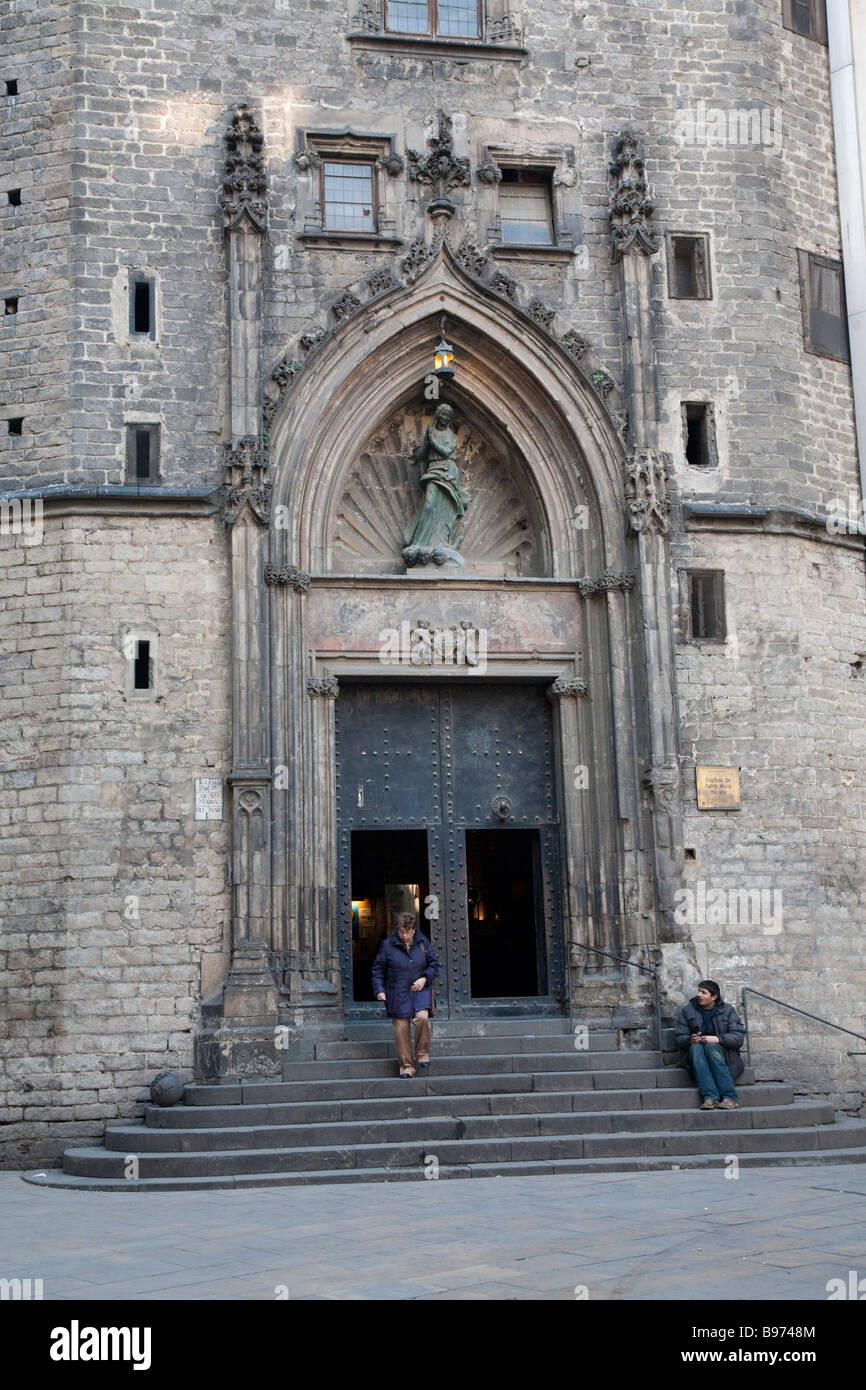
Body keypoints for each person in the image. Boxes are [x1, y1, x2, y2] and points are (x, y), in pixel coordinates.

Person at [402, 403, 471, 567]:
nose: (446, 419)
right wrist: (427, 441)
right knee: (429, 505)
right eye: (443, 415)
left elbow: (446, 452)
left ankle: (441, 541)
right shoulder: (431, 433)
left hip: (447, 471)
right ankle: (419, 542)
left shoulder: (452, 437)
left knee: (446, 510)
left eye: (448, 416)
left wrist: (432, 440)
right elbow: (422, 454)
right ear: (438, 416)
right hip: (434, 470)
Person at [372, 911, 439, 1078]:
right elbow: (378, 969)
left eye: (407, 932)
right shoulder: (388, 945)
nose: (404, 935)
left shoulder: (423, 942)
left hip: (419, 990)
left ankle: (422, 1054)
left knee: (422, 1018)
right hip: (397, 991)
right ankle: (406, 1066)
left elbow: (434, 965)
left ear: (413, 930)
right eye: (401, 931)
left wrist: (424, 978)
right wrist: (379, 989)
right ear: (398, 929)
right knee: (401, 1028)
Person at [673, 979, 746, 1110]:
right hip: (697, 1056)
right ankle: (710, 1097)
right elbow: (679, 1037)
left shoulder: (728, 1011)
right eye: (699, 991)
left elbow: (738, 1037)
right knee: (696, 1048)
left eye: (704, 992)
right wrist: (690, 1039)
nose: (699, 995)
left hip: (725, 1055)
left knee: (711, 1047)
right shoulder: (688, 1011)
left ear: (714, 997)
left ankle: (729, 1097)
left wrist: (717, 1039)